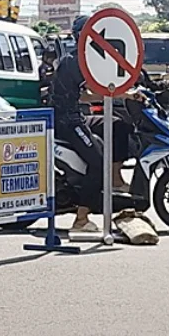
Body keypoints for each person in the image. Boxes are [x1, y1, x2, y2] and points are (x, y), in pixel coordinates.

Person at [51, 15, 131, 233]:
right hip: (67, 120)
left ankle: (116, 179)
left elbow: (85, 95)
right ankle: (81, 219)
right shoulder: (76, 61)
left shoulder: (86, 59)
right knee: (98, 163)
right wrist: (127, 94)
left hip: (75, 115)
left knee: (116, 125)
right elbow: (97, 90)